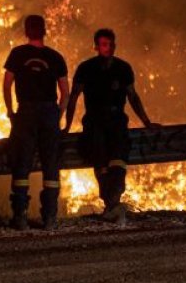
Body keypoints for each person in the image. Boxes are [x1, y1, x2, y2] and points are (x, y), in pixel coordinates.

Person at [64, 29, 160, 225]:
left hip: (117, 121)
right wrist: (66, 125)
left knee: (118, 162)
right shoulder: (86, 68)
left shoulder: (123, 68)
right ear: (97, 47)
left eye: (112, 44)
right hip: (94, 123)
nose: (109, 48)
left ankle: (113, 204)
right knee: (100, 163)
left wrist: (147, 122)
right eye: (105, 44)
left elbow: (133, 96)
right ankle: (111, 205)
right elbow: (73, 96)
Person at [3, 14, 69, 230]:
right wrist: (57, 116)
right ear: (45, 30)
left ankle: (20, 217)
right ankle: (49, 218)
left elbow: (7, 85)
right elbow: (65, 93)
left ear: (26, 31)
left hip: (26, 112)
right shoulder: (55, 57)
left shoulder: (17, 54)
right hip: (49, 112)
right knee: (51, 165)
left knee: (22, 164)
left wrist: (11, 111)